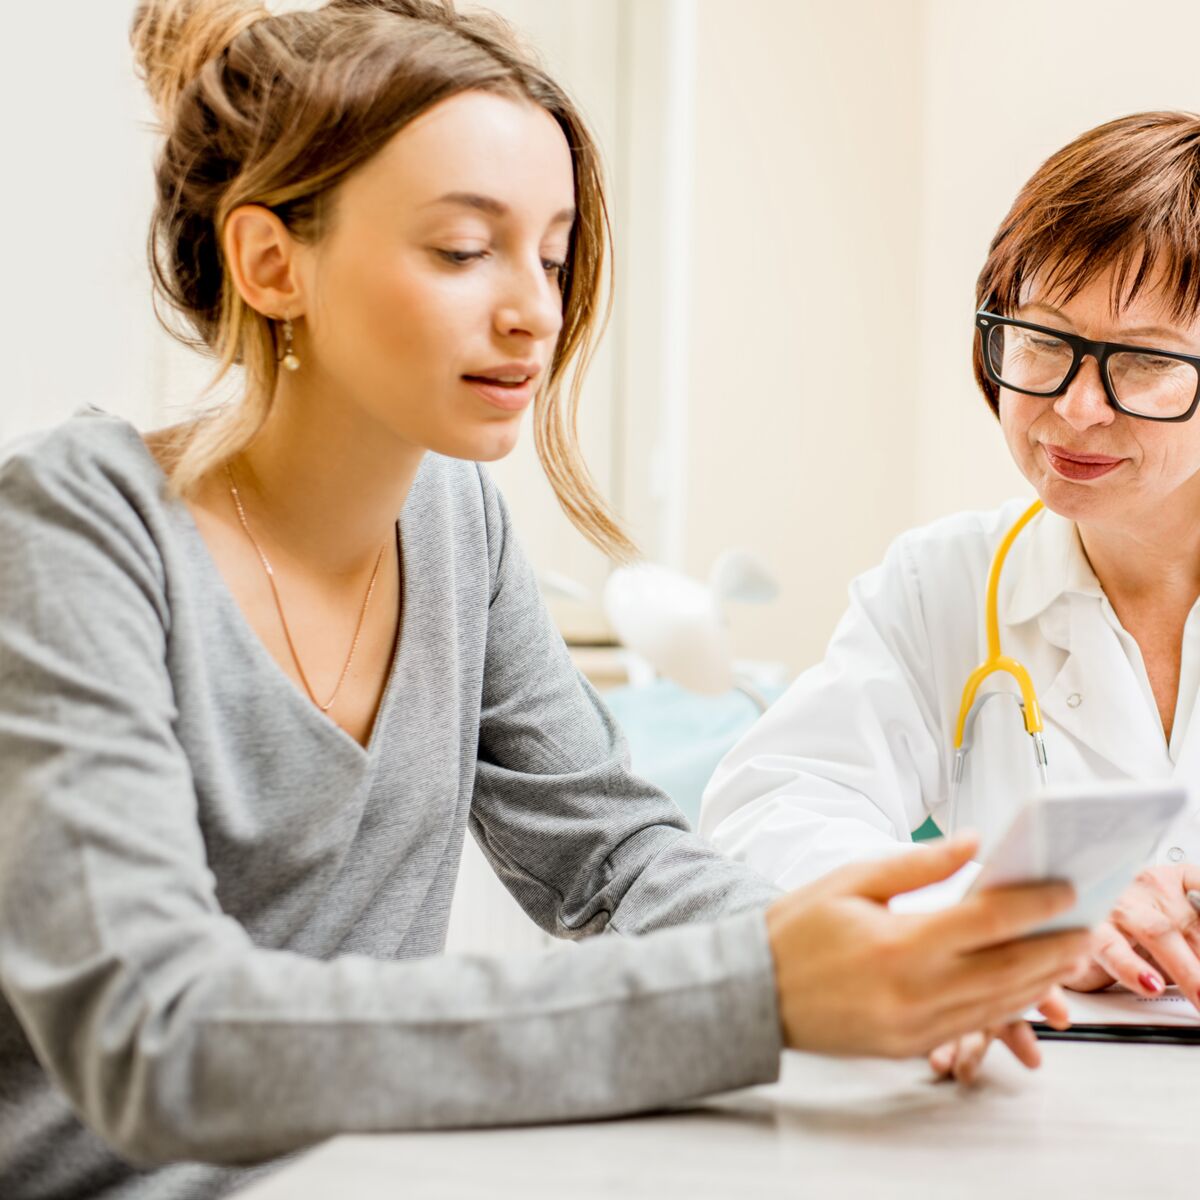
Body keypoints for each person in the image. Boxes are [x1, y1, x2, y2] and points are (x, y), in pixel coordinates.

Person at [0, 2, 1088, 1195]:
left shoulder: (458, 526)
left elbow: (615, 858)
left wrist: (881, 949)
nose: (535, 309)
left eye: (554, 254)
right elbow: (158, 1035)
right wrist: (760, 991)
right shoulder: (70, 525)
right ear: (272, 263)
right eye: (465, 250)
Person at [700, 110, 1200, 1081]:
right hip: (1030, 1098)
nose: (1076, 406)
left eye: (1142, 360)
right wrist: (1014, 907)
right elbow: (767, 814)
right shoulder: (946, 581)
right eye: (1042, 340)